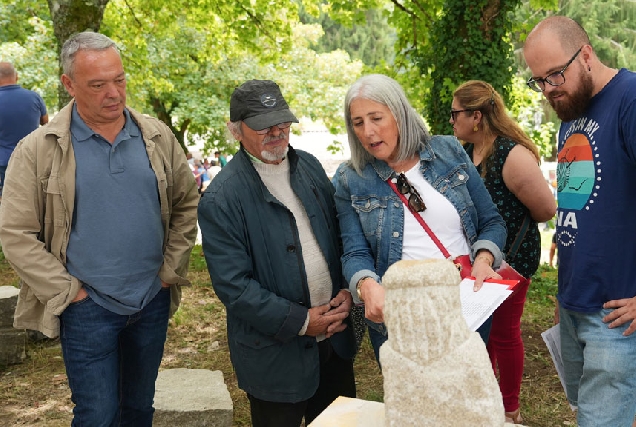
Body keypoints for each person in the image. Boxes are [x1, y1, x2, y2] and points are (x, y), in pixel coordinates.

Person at [0, 32, 199, 426]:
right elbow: (16, 234)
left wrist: (167, 274)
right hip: (87, 309)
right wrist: (69, 293)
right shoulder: (38, 149)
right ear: (69, 85)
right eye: (98, 84)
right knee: (97, 415)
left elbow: (186, 204)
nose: (114, 93)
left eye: (119, 80)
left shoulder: (156, 136)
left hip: (150, 299)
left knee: (139, 409)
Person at [198, 79, 356, 427]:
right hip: (273, 358)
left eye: (283, 123)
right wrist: (302, 322)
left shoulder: (311, 167)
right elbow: (233, 286)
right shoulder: (222, 198)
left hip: (334, 342)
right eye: (263, 126)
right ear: (235, 131)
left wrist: (348, 290)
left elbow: (343, 237)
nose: (277, 132)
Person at [332, 74, 507, 364]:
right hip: (399, 317)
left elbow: (491, 221)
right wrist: (366, 285)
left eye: (376, 118)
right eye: (358, 122)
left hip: (464, 306)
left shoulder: (448, 152)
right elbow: (354, 252)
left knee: (464, 400)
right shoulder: (351, 178)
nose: (368, 132)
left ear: (399, 114)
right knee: (413, 404)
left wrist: (484, 258)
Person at [524, 16, 636, 426]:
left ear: (586, 55)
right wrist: (563, 294)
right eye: (539, 81)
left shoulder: (630, 98)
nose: (549, 90)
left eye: (556, 74)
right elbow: (576, 208)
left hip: (617, 315)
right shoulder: (571, 109)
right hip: (574, 304)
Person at [451, 79, 557, 423]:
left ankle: (509, 409)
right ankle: (487, 402)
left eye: (455, 114)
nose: (451, 121)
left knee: (504, 333)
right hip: (480, 260)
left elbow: (545, 210)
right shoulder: (466, 153)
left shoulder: (512, 155)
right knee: (483, 330)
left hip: (511, 259)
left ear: (477, 116)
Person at [0, 62, 48, 197]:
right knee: (31, 197)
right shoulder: (34, 97)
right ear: (16, 77)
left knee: (9, 199)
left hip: (4, 161)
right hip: (32, 157)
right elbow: (46, 124)